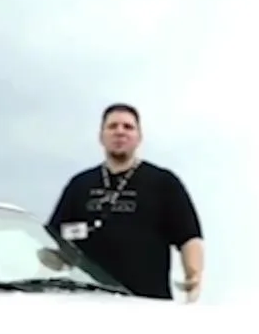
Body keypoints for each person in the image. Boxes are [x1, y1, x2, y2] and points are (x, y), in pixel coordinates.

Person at [40, 103, 205, 301]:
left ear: (139, 137)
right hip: (87, 301)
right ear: (101, 137)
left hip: (147, 302)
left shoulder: (164, 182)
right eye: (112, 126)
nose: (120, 132)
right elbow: (55, 240)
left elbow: (189, 237)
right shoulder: (80, 184)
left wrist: (193, 276)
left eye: (128, 127)